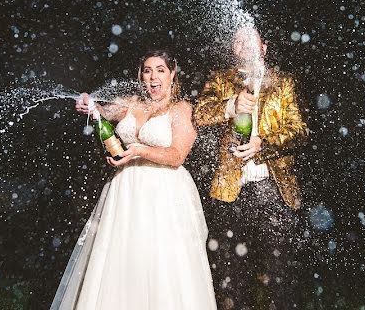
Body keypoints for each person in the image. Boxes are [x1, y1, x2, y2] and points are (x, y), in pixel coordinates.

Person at [50, 50, 217, 310]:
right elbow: (104, 111)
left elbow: (176, 156)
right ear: (141, 76)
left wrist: (140, 151)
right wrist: (90, 106)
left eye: (160, 70)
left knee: (159, 264)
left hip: (164, 195)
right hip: (125, 192)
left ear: (172, 74)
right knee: (119, 261)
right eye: (147, 70)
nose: (153, 77)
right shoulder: (131, 104)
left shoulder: (182, 109)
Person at [195, 26, 309, 310]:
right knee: (230, 276)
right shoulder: (221, 80)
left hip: (275, 190)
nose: (245, 45)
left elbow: (300, 130)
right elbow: (199, 114)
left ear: (264, 48)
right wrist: (231, 105)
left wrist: (264, 143)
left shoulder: (283, 83)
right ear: (234, 50)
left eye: (252, 40)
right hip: (230, 191)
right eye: (239, 41)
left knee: (279, 274)